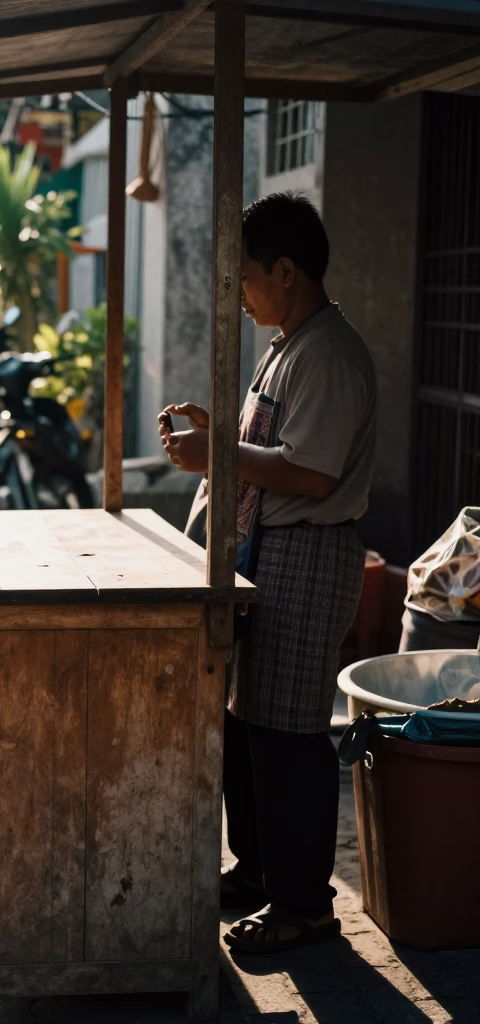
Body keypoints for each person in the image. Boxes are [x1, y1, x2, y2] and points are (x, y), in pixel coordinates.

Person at [159, 192, 377, 955]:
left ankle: (304, 906)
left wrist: (214, 455)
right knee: (248, 726)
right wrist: (222, 437)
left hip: (306, 554)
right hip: (267, 554)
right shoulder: (290, 342)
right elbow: (281, 451)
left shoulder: (330, 352)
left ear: (285, 270)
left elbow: (312, 473)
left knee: (289, 738)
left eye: (246, 276)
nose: (240, 292)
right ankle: (257, 874)